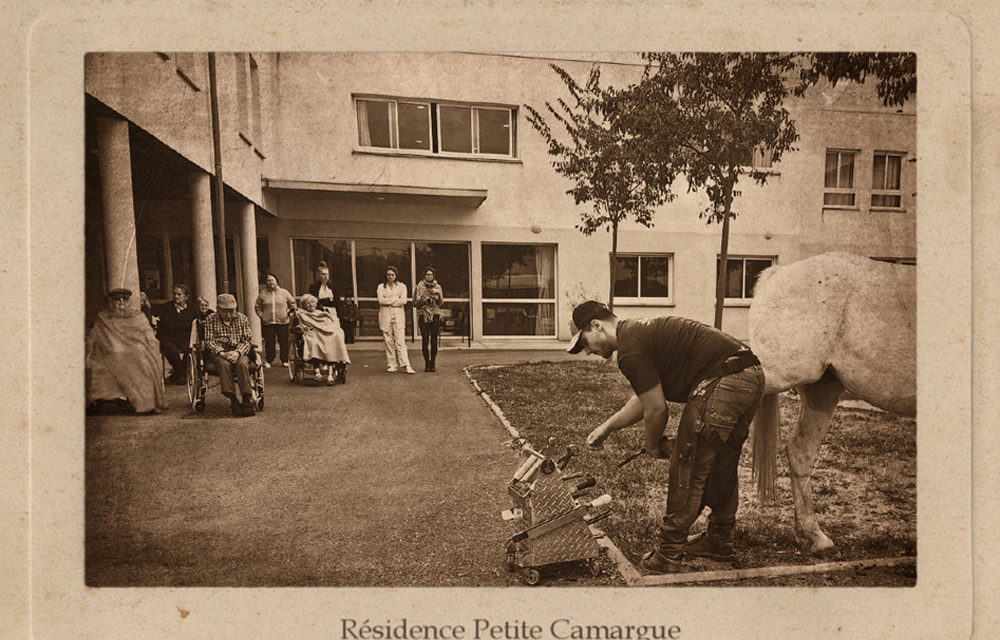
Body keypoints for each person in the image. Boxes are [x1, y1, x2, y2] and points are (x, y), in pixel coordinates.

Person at [566, 301, 764, 574]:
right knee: (722, 462)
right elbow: (646, 398)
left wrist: (651, 445)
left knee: (687, 465)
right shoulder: (637, 333)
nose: (588, 352)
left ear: (597, 326)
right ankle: (719, 541)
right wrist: (607, 428)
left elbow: (657, 409)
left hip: (723, 380)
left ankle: (668, 554)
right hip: (749, 374)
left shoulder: (629, 349)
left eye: (585, 343)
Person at [86, 288, 167, 414]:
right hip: (108, 351)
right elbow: (93, 336)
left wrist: (149, 347)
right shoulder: (103, 317)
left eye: (124, 299)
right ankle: (119, 394)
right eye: (117, 299)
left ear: (130, 301)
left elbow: (148, 336)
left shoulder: (138, 317)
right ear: (111, 301)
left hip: (135, 350)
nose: (121, 302)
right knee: (115, 355)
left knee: (142, 359)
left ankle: (145, 401)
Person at [203, 293, 257, 417]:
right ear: (218, 309)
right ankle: (233, 400)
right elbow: (209, 341)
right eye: (225, 311)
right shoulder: (210, 319)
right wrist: (222, 353)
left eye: (231, 311)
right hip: (219, 351)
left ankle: (246, 399)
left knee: (242, 364)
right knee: (223, 364)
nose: (228, 314)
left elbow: (247, 340)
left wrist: (237, 352)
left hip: (239, 350)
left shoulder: (242, 318)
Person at [292, 294, 350, 385]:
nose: (311, 304)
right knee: (313, 343)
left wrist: (329, 317)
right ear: (304, 305)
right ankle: (317, 371)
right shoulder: (300, 314)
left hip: (324, 333)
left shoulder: (321, 313)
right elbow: (296, 325)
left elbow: (332, 324)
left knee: (331, 342)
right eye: (308, 303)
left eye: (313, 302)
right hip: (311, 333)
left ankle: (330, 375)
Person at [153, 284, 196, 384]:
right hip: (167, 337)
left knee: (189, 349)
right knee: (172, 351)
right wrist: (184, 324)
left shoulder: (192, 308)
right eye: (175, 294)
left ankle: (178, 373)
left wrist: (177, 324)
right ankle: (181, 374)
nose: (176, 296)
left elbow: (194, 324)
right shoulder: (166, 307)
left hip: (184, 337)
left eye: (179, 294)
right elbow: (167, 325)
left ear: (186, 297)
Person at [377, 265, 415, 374]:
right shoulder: (381, 287)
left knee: (400, 342)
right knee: (388, 342)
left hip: (398, 318)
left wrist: (388, 301)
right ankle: (392, 364)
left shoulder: (402, 286)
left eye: (392, 275)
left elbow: (403, 301)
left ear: (396, 275)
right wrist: (395, 299)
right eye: (388, 274)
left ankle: (406, 365)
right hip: (385, 317)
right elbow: (381, 301)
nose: (390, 277)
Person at [254, 273, 296, 368]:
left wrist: (289, 314)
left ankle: (284, 360)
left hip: (282, 322)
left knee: (283, 341)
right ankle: (269, 360)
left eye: (272, 280)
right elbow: (257, 306)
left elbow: (293, 303)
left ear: (276, 281)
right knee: (269, 342)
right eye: (268, 281)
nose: (270, 282)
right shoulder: (263, 293)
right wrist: (261, 315)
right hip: (268, 322)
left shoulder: (284, 292)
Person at [413, 265, 444, 372]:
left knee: (434, 339)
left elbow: (441, 303)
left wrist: (438, 297)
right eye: (427, 274)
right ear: (424, 275)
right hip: (423, 315)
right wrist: (423, 300)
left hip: (435, 314)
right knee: (425, 339)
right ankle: (427, 363)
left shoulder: (438, 287)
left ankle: (433, 363)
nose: (429, 276)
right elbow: (414, 304)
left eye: (431, 274)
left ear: (434, 276)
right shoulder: (419, 287)